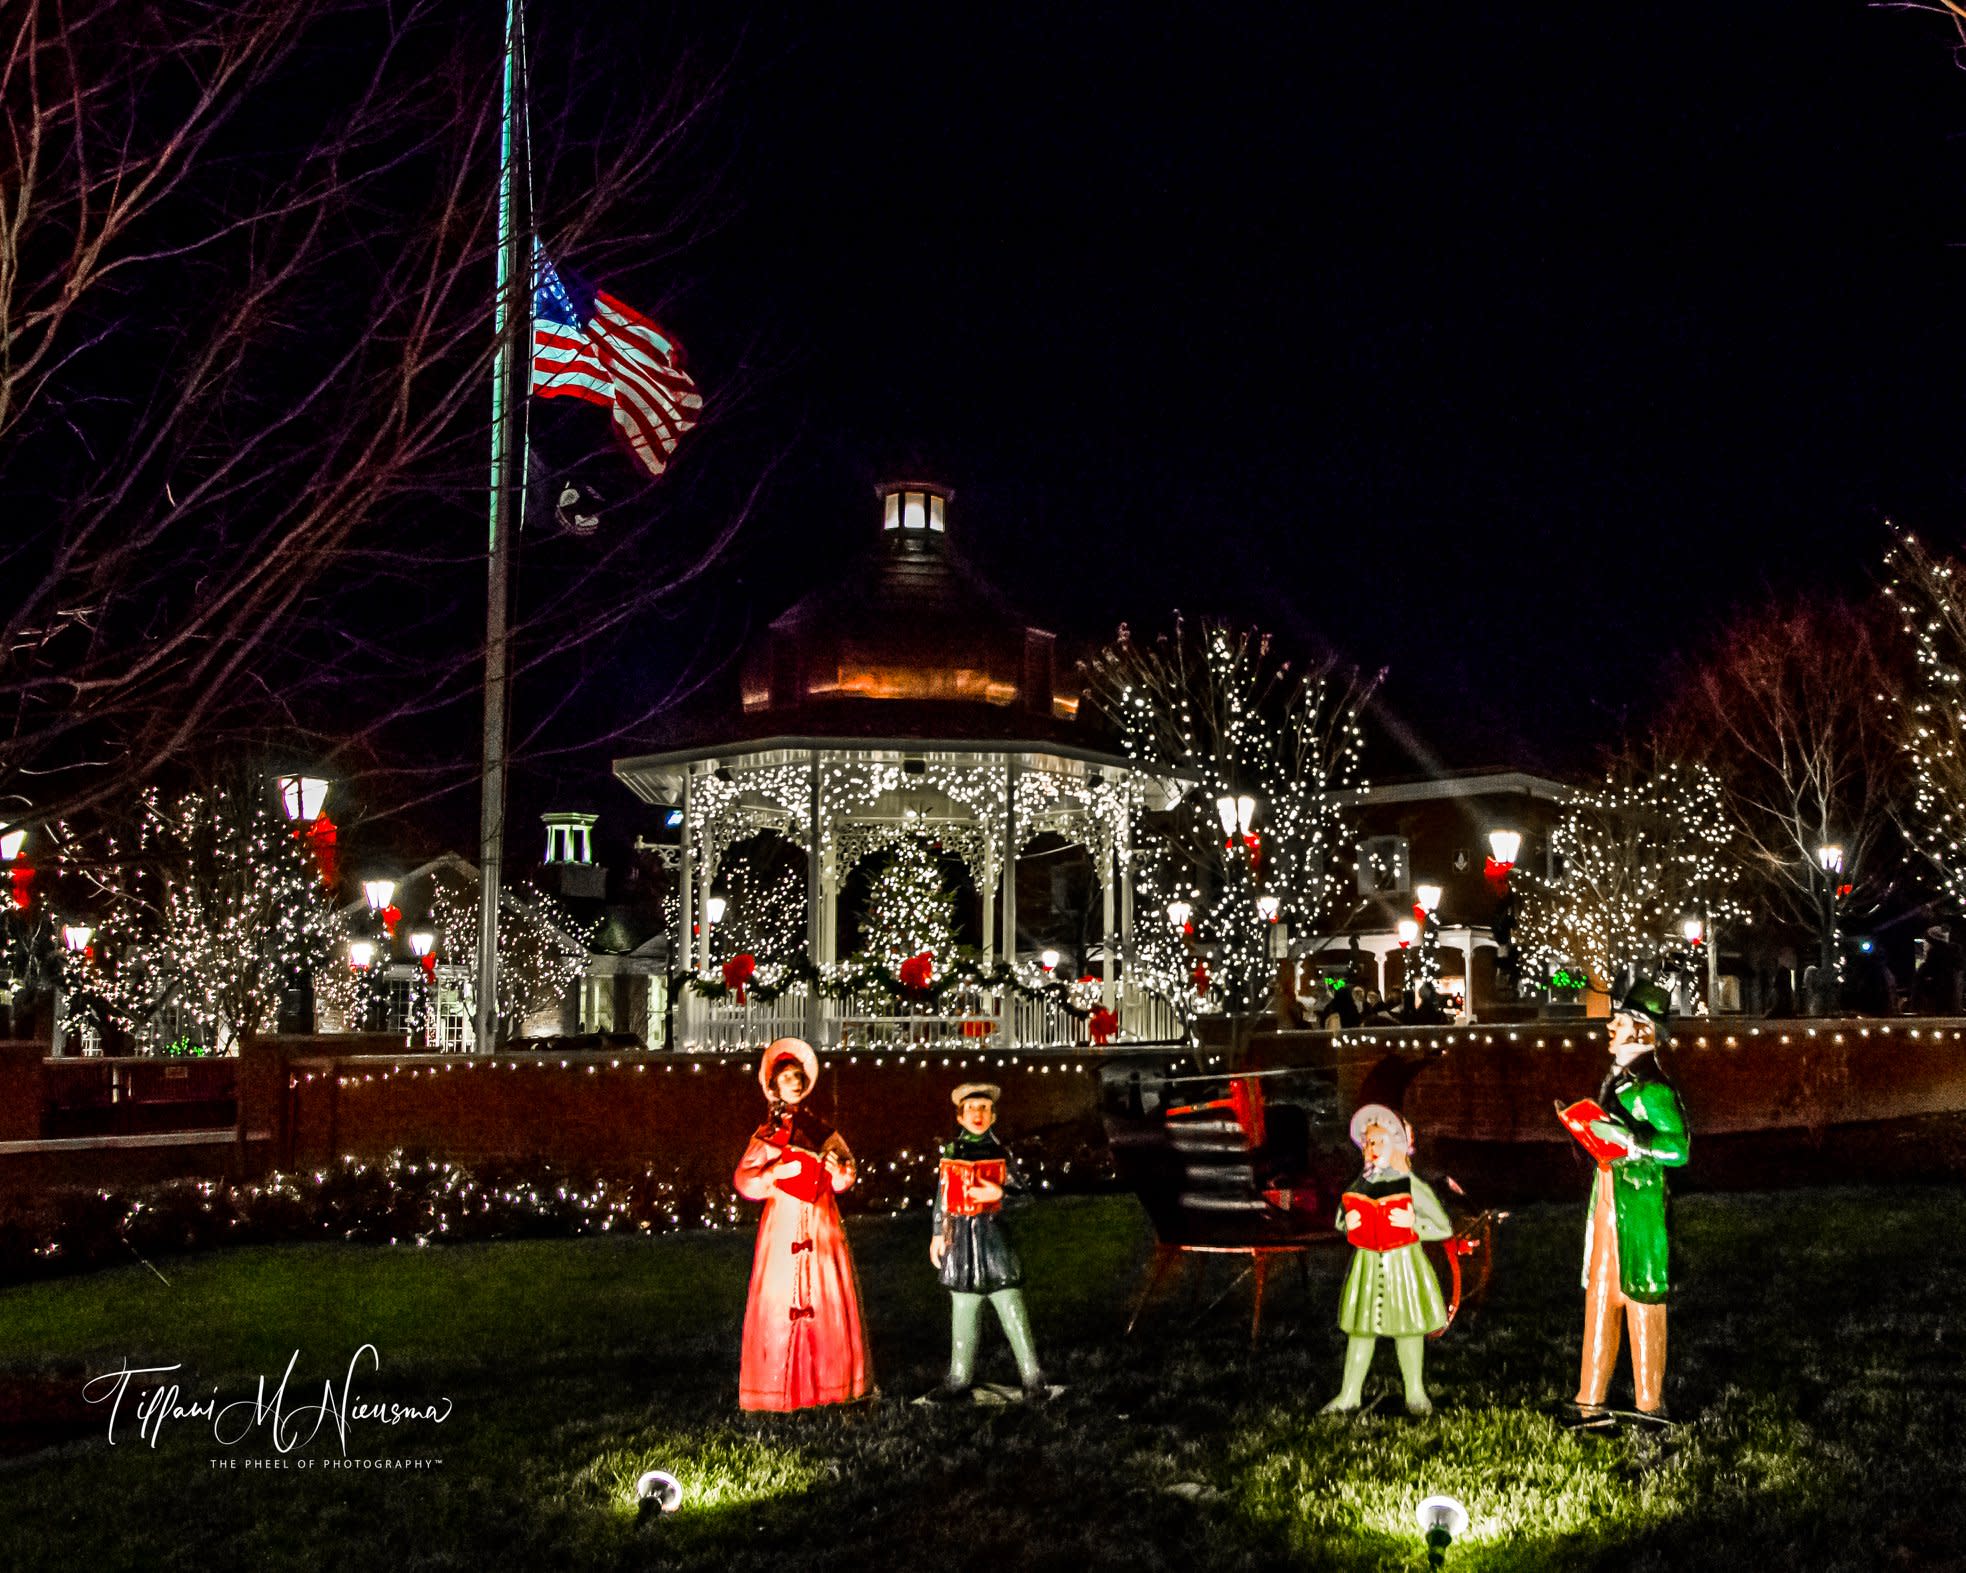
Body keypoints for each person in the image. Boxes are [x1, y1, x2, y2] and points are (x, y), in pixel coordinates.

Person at [1569, 982, 1689, 1423]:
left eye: (1620, 1021)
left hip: (1637, 1213)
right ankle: (1590, 1398)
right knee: (1600, 1303)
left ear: (1643, 1032)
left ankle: (1649, 1402)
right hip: (1606, 1209)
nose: (1610, 1026)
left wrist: (1630, 1140)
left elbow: (1678, 1148)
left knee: (1643, 1305)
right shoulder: (1615, 1084)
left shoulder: (1653, 1091)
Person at [732, 1038, 873, 1411]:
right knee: (781, 1297)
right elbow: (745, 1180)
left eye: (798, 1077)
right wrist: (775, 1171)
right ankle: (775, 1387)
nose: (794, 1083)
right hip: (783, 1227)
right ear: (774, 1086)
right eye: (787, 1077)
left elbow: (847, 1173)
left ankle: (832, 1382)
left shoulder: (821, 1130)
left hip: (821, 1224)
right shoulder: (767, 1135)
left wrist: (837, 1170)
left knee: (826, 1295)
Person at [1320, 1102, 1453, 1417]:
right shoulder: (1362, 1184)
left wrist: (1413, 1224)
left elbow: (1443, 1226)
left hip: (1403, 1267)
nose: (1371, 1147)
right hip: (1367, 1264)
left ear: (1395, 1145)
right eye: (1367, 1142)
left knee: (1407, 1329)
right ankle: (1349, 1393)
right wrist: (1347, 1223)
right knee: (1361, 1330)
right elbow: (1343, 1217)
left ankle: (1415, 1393)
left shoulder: (1411, 1186)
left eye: (1377, 1141)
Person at [923, 1082, 1048, 1402]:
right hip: (962, 1244)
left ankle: (1032, 1376)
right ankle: (959, 1376)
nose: (977, 1115)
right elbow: (943, 1196)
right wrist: (939, 1232)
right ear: (960, 1117)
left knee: (1011, 1306)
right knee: (963, 1310)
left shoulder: (1000, 1154)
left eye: (984, 1109)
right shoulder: (952, 1153)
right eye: (971, 1109)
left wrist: (999, 1195)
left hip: (994, 1245)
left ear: (993, 1116)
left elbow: (1024, 1198)